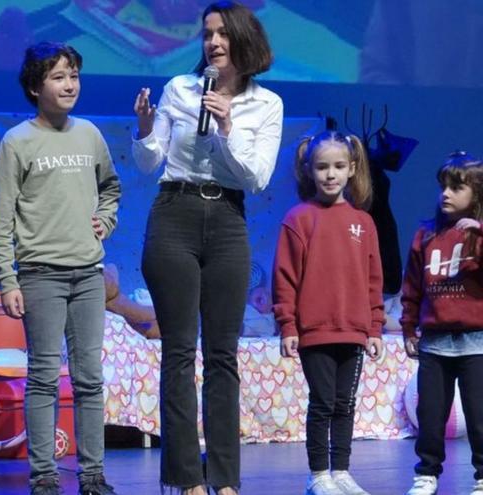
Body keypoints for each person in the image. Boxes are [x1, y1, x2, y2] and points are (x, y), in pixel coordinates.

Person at [131, 1, 282, 493]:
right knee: (179, 351)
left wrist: (227, 127)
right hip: (174, 213)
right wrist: (146, 128)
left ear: (244, 40)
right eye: (207, 34)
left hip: (228, 219)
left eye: (222, 34)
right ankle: (186, 479)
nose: (213, 43)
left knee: (223, 355)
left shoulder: (267, 104)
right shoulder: (181, 88)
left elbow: (255, 177)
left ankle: (225, 479)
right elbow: (149, 163)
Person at [0, 41, 121, 495]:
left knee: (89, 377)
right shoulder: (17, 142)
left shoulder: (89, 135)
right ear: (34, 86)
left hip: (87, 274)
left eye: (74, 76)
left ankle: (92, 474)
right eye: (59, 76)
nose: (70, 84)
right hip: (40, 274)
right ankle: (44, 474)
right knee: (44, 376)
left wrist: (105, 218)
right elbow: (1, 216)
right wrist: (7, 279)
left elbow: (111, 189)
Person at [272, 131, 385, 495]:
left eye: (338, 166)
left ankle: (341, 471)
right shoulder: (299, 219)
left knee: (345, 404)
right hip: (315, 332)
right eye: (322, 167)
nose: (330, 175)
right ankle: (318, 474)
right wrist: (288, 325)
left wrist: (375, 328)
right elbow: (285, 277)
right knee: (322, 403)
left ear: (352, 169)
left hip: (354, 332)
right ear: (309, 170)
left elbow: (373, 279)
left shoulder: (363, 223)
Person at [401, 152, 483, 495]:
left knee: (479, 417)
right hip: (434, 342)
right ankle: (427, 473)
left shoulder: (478, 237)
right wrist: (408, 327)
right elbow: (412, 286)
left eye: (456, 187)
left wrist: (480, 235)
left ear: (476, 194)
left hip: (475, 343)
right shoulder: (426, 235)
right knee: (431, 415)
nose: (445, 194)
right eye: (443, 187)